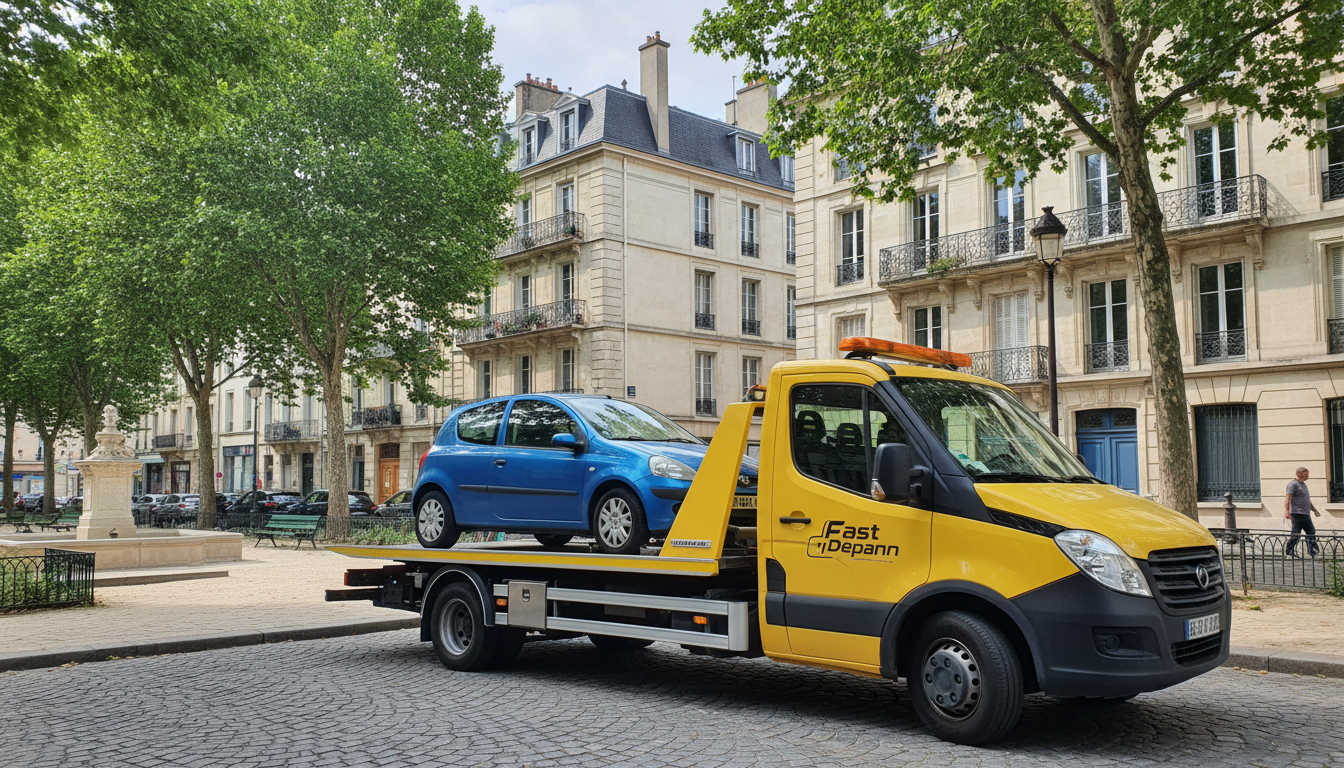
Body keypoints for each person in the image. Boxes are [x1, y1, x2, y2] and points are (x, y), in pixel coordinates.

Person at [1284, 467, 1321, 557]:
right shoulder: (1293, 484)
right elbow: (1287, 498)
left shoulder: (1304, 485)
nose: (1308, 476)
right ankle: (1289, 551)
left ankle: (1312, 551)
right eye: (1306, 474)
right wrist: (1287, 511)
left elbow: (1307, 500)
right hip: (1297, 513)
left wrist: (1314, 510)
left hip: (1305, 513)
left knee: (1311, 531)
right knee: (1296, 534)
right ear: (1300, 474)